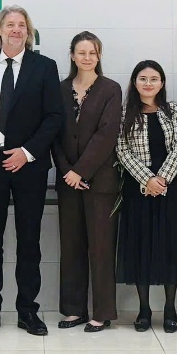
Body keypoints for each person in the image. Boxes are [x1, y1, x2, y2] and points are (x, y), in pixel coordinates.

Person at [0, 5, 64, 337]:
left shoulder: (45, 66)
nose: (16, 29)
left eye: (22, 25)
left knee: (29, 240)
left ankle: (27, 311)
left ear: (29, 32)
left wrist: (27, 152)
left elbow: (54, 116)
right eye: (10, 24)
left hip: (29, 164)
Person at [116, 60, 177, 332]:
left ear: (162, 83)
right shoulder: (125, 113)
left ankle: (170, 308)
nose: (148, 83)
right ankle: (144, 309)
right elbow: (122, 150)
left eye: (154, 79)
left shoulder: (172, 110)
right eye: (143, 78)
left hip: (170, 191)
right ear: (134, 82)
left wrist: (161, 180)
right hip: (138, 191)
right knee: (140, 248)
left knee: (170, 248)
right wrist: (147, 179)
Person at [53, 32, 122, 332]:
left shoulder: (110, 89)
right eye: (81, 52)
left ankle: (102, 312)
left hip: (100, 181)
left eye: (92, 52)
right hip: (67, 180)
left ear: (99, 55)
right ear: (72, 55)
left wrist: (81, 171)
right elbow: (54, 133)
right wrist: (67, 171)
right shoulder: (59, 89)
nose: (87, 58)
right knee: (71, 246)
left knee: (101, 248)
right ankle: (73, 309)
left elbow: (107, 134)